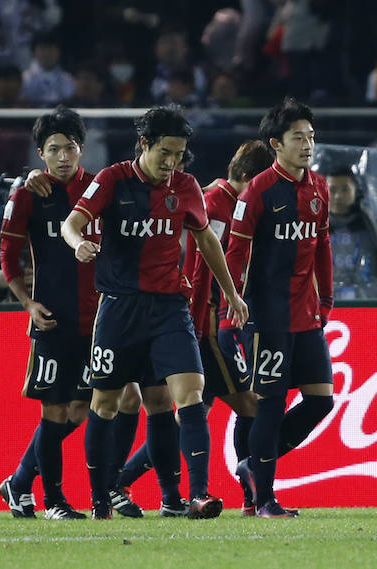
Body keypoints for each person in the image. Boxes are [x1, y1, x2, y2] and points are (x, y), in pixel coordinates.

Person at [61, 105, 248, 519]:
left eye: (178, 154)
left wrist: (231, 293)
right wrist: (78, 243)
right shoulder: (113, 178)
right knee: (106, 402)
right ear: (144, 144)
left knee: (186, 394)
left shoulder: (186, 186)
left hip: (168, 307)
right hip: (119, 307)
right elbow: (71, 222)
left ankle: (193, 495)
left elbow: (206, 241)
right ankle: (100, 499)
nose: (171, 162)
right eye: (165, 152)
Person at [113, 140, 273, 517]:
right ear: (250, 178)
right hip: (202, 323)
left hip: (202, 320)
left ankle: (122, 479)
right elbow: (200, 265)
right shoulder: (216, 204)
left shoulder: (226, 201)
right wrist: (199, 321)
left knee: (193, 412)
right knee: (248, 404)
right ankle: (251, 494)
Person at [226, 97, 335, 518]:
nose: (307, 144)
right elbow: (235, 251)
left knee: (320, 400)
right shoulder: (258, 191)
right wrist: (232, 301)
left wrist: (326, 296)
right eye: (298, 138)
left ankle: (255, 467)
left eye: (310, 136)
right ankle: (264, 499)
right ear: (276, 143)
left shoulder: (320, 186)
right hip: (266, 315)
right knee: (269, 403)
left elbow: (322, 244)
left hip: (307, 314)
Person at [0, 107, 97, 520]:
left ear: (81, 149)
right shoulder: (28, 195)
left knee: (80, 412)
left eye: (69, 148)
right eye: (53, 149)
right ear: (41, 153)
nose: (62, 157)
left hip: (96, 322)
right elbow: (8, 256)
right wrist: (26, 301)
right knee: (53, 412)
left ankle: (19, 481)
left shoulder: (98, 190)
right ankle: (54, 501)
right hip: (53, 318)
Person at [326, 165, 377, 299]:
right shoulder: (311, 227)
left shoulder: (374, 228)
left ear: (356, 192)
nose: (338, 196)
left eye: (345, 189)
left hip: (367, 306)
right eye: (332, 190)